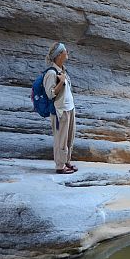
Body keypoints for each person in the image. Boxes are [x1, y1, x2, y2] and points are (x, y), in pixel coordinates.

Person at [44, 42, 77, 174]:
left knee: (69, 137)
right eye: (65, 51)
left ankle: (66, 162)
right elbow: (50, 94)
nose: (67, 52)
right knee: (60, 139)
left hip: (69, 108)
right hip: (60, 111)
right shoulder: (51, 73)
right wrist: (61, 82)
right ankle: (60, 166)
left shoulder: (62, 70)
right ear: (59, 55)